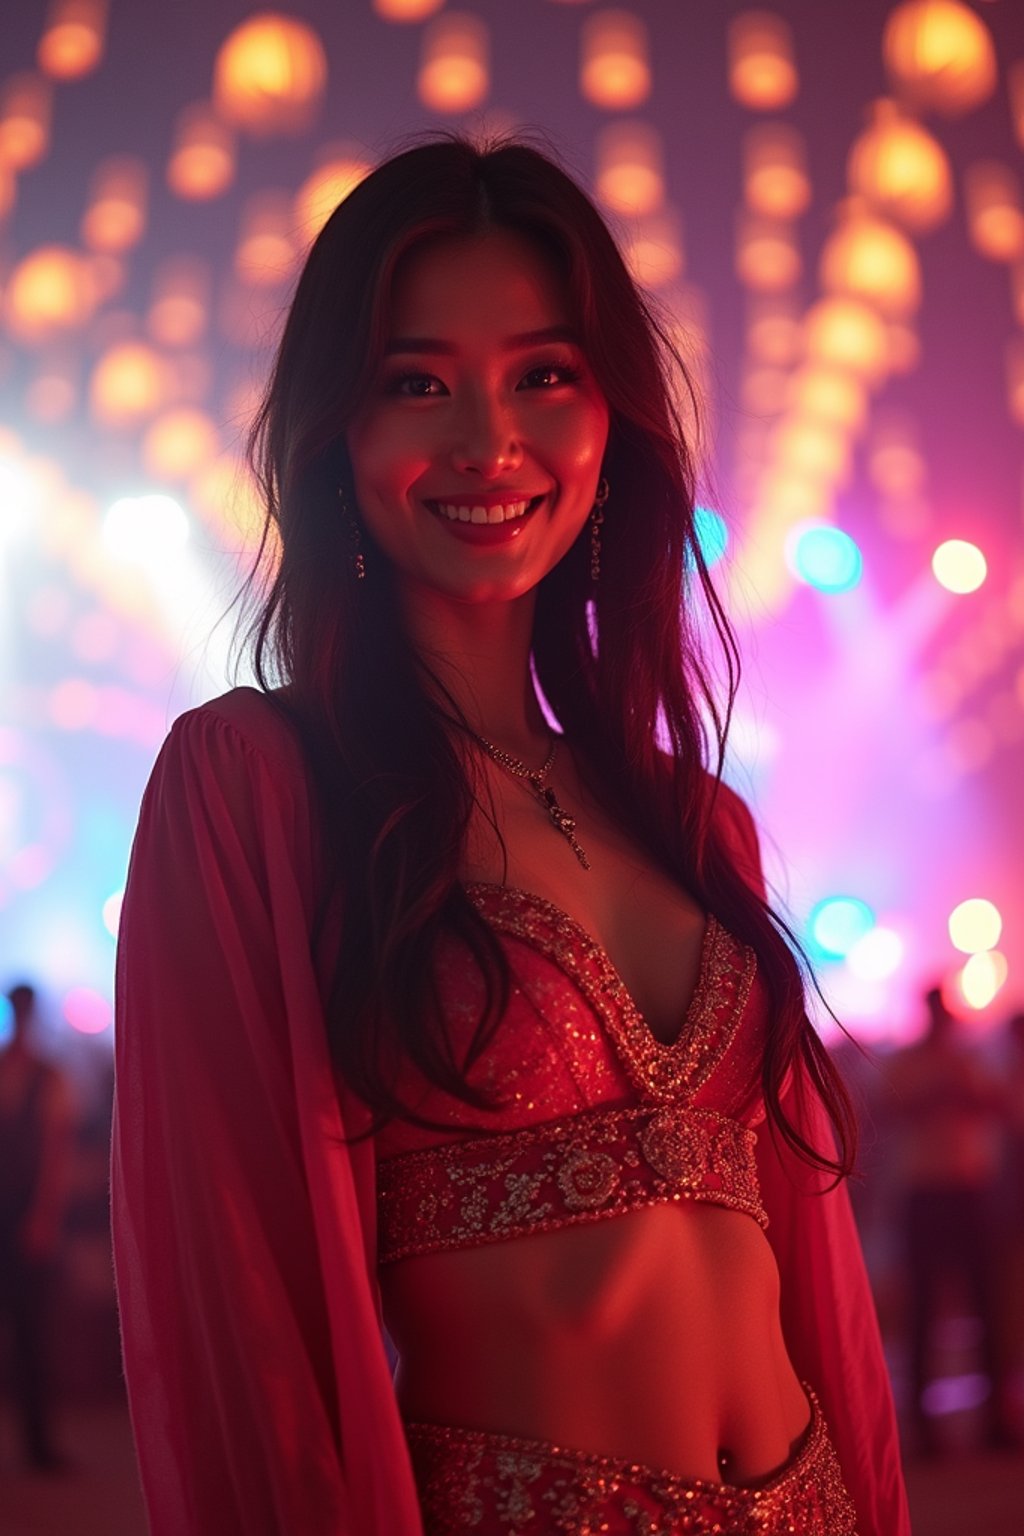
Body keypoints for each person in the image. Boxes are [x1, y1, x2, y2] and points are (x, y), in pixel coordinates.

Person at [111, 136, 909, 1535]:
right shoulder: (254, 785)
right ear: (335, 432)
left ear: (613, 417)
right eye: (415, 383)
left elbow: (812, 1276)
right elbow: (238, 1310)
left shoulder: (693, 819)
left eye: (544, 374)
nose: (487, 442)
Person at [887, 984, 1015, 1453]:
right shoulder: (909, 1062)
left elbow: (999, 1108)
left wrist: (961, 1091)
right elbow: (889, 1109)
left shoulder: (968, 1060)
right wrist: (936, 1093)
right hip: (926, 1193)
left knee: (985, 1305)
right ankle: (924, 1430)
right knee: (923, 1309)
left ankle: (995, 1421)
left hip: (968, 1191)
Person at [0, 982, 74, 1472]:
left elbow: (55, 1151)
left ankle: (38, 1445)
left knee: (31, 1334)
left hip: (25, 1215)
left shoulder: (49, 1076)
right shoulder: (18, 1069)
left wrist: (45, 1214)